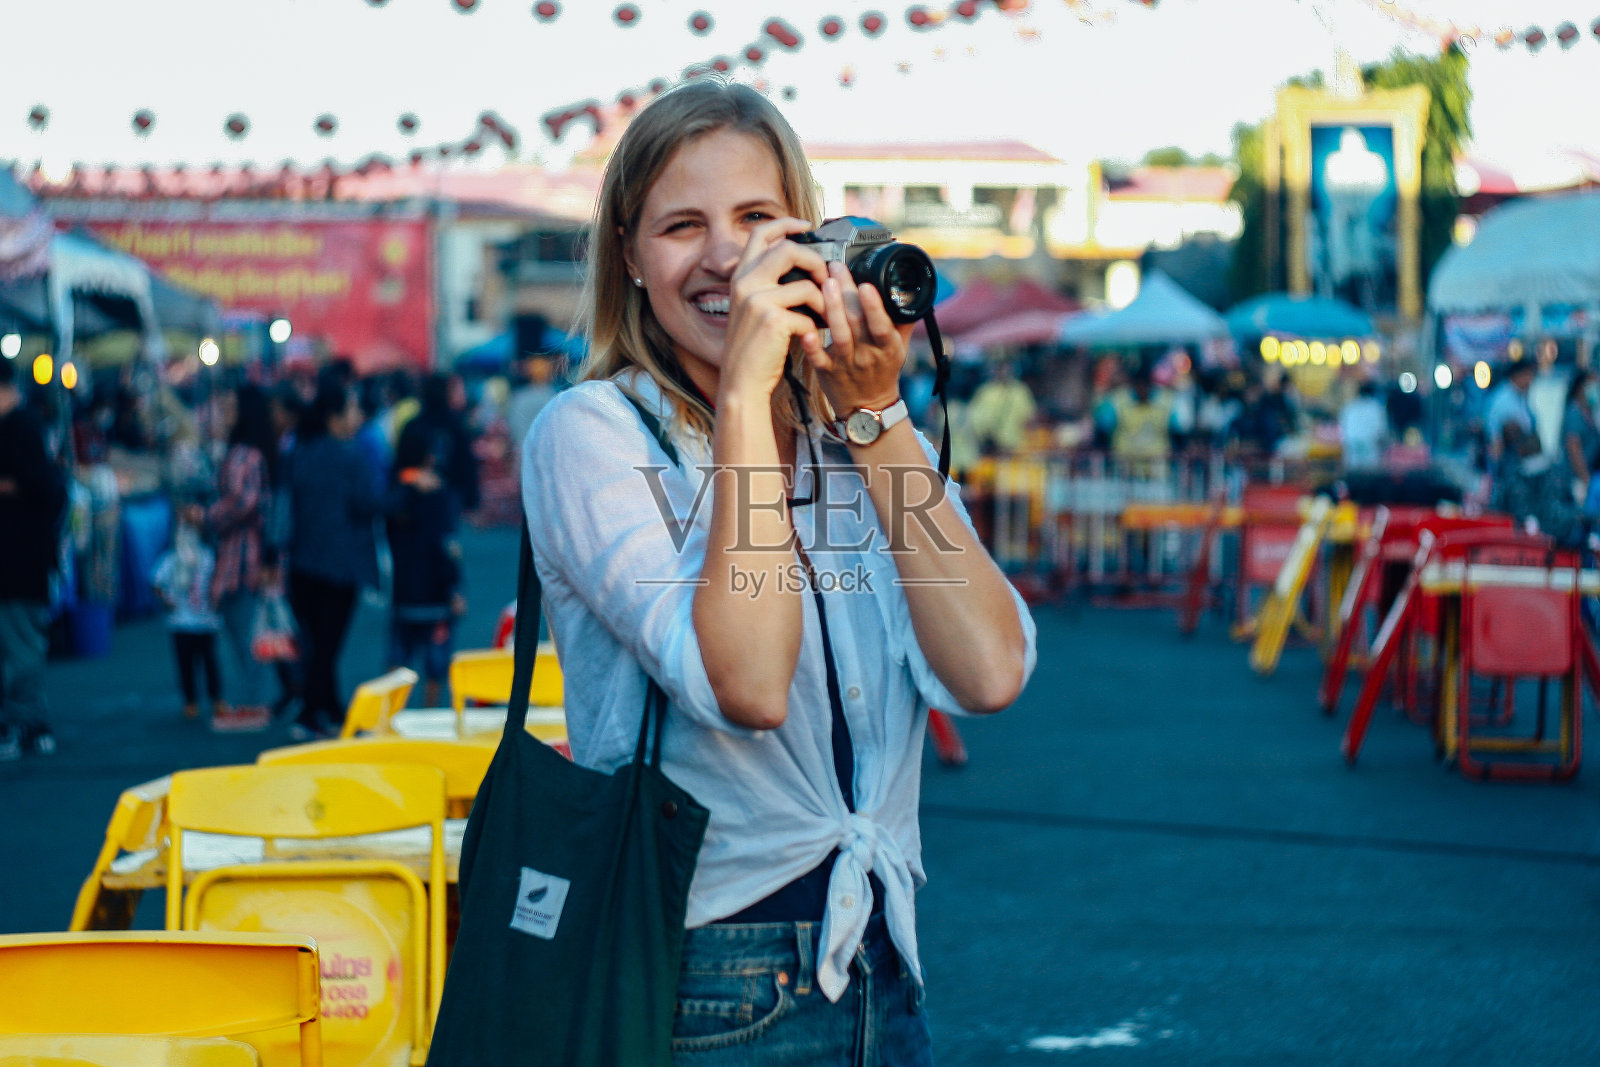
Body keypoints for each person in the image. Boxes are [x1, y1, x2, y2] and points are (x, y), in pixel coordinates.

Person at [521, 81, 1036, 1062]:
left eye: (756, 219)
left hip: (880, 955)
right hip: (701, 972)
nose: (724, 256)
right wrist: (748, 403)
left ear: (804, 235)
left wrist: (879, 422)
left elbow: (989, 670)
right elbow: (747, 684)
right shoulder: (590, 434)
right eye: (681, 225)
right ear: (627, 255)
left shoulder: (856, 430)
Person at [279, 377, 381, 739]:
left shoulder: (298, 452)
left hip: (302, 563)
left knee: (316, 643)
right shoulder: (349, 456)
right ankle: (313, 712)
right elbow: (367, 504)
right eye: (351, 409)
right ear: (334, 416)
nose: (357, 416)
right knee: (327, 645)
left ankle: (328, 709)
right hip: (340, 564)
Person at [0, 357, 68, 760]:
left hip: (20, 563)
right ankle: (23, 723)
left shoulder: (22, 426)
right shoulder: (23, 425)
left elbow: (43, 486)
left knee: (20, 646)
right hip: (17, 562)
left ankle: (28, 724)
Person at [204, 384, 277, 732]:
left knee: (245, 633)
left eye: (230, 408)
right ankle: (254, 700)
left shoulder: (243, 455)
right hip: (249, 556)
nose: (224, 416)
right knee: (247, 632)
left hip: (241, 556)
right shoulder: (257, 453)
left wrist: (205, 516)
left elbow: (242, 502)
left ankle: (253, 703)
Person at [385, 426, 464, 709]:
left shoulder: (395, 488)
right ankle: (428, 715)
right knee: (436, 662)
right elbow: (447, 544)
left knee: (399, 657)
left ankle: (390, 715)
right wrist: (454, 587)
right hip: (435, 592)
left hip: (403, 589)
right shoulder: (438, 490)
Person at [153, 502, 228, 726]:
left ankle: (216, 698)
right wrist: (168, 601)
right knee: (186, 664)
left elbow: (218, 581)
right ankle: (191, 700)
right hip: (181, 622)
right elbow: (156, 581)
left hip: (206, 621)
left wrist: (216, 599)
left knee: (210, 662)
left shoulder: (208, 556)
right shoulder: (172, 558)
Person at [966, 359, 1036, 457]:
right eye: (1000, 368)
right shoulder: (984, 392)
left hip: (1015, 447)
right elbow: (974, 420)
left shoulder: (1020, 391)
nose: (1003, 372)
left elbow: (1029, 418)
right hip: (990, 447)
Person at [1484, 359, 1538, 471]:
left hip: (1525, 458)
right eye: (1528, 375)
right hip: (1508, 461)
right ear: (1518, 375)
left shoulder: (1521, 396)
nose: (1531, 380)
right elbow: (1493, 433)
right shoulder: (1502, 400)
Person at [1558, 369, 1600, 509]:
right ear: (1581, 387)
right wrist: (1586, 481)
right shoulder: (1574, 413)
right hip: (1576, 480)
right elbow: (1574, 450)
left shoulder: (1589, 412)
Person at [1338, 379, 1389, 471]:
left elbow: (1342, 429)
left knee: (1354, 475)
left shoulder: (1349, 407)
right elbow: (1381, 430)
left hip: (1352, 446)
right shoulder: (1376, 407)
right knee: (1369, 476)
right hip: (1370, 446)